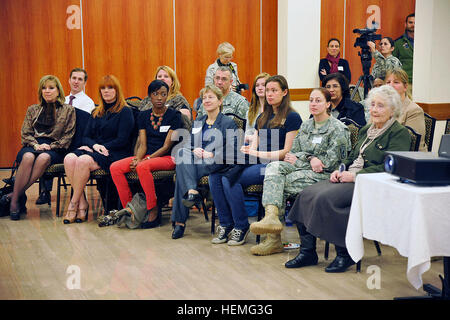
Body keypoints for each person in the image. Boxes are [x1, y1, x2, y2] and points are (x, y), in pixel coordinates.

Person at [286, 85, 411, 273]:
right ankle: (308, 252)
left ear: (392, 110)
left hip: (372, 183)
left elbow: (392, 166)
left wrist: (354, 175)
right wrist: (340, 169)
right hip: (348, 177)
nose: (374, 110)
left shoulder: (398, 133)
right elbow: (351, 156)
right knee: (304, 194)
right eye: (373, 105)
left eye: (381, 106)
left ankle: (345, 254)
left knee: (325, 199)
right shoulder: (367, 129)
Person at [249, 88, 351, 255]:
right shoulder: (307, 125)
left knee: (278, 183)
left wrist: (306, 159)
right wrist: (310, 158)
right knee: (273, 167)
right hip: (303, 167)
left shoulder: (338, 129)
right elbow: (293, 153)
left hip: (326, 175)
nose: (313, 104)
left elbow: (329, 163)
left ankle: (273, 239)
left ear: (328, 104)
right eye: (311, 100)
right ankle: (271, 218)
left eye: (318, 100)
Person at [208, 75, 302, 248]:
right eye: (267, 91)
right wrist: (247, 150)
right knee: (217, 176)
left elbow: (287, 151)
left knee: (231, 180)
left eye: (274, 90)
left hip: (275, 166)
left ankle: (241, 226)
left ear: (285, 92)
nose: (269, 94)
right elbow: (255, 143)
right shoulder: (262, 117)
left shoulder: (292, 117)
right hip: (258, 161)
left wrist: (256, 153)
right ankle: (226, 223)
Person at [0, 75, 75, 220]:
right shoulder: (33, 109)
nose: (47, 91)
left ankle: (13, 198)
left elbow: (68, 136)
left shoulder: (68, 110)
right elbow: (25, 133)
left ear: (58, 91)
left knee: (43, 157)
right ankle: (16, 200)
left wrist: (51, 146)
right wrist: (36, 144)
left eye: (51, 88)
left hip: (55, 148)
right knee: (28, 157)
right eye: (44, 88)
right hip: (33, 144)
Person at [110, 80, 182, 228]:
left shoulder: (174, 115)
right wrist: (138, 158)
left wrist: (146, 159)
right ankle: (129, 209)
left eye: (163, 94)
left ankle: (153, 209)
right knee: (115, 167)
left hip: (167, 157)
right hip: (146, 156)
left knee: (142, 167)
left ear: (167, 95)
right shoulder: (143, 116)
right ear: (149, 96)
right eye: (155, 94)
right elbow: (143, 144)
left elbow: (166, 145)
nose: (160, 98)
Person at [62, 75, 134, 224]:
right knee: (69, 158)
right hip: (96, 149)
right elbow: (85, 137)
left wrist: (101, 147)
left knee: (82, 161)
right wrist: (95, 146)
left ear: (117, 90)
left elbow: (123, 140)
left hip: (115, 152)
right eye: (103, 88)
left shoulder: (125, 111)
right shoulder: (96, 111)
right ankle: (82, 203)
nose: (106, 91)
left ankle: (73, 204)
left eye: (110, 88)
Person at [171, 85, 238, 240]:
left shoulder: (228, 123)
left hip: (217, 162)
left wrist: (212, 153)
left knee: (182, 171)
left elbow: (233, 150)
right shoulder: (199, 122)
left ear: (220, 101)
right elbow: (189, 144)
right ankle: (193, 192)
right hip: (197, 162)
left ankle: (180, 222)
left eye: (211, 97)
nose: (206, 101)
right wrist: (194, 150)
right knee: (182, 153)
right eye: (204, 98)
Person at [36, 68, 95, 206]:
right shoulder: (62, 100)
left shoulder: (88, 103)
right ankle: (45, 191)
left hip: (75, 142)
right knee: (44, 150)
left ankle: (77, 196)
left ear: (85, 82)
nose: (76, 82)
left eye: (80, 79)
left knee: (52, 152)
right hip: (57, 140)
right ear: (69, 80)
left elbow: (82, 128)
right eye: (74, 78)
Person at [385, 68, 427, 151]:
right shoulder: (383, 107)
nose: (391, 85)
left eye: (396, 82)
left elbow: (409, 141)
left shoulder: (414, 110)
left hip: (410, 157)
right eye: (388, 82)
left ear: (405, 87)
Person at [140, 65, 192, 130]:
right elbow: (139, 117)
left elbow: (186, 119)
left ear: (172, 82)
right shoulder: (147, 99)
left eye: (166, 76)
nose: (162, 78)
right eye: (159, 76)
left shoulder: (179, 99)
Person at [393, 13, 414, 96]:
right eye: (410, 22)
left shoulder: (425, 42)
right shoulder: (398, 43)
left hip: (423, 82)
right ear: (405, 24)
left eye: (415, 23)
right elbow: (393, 63)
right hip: (406, 82)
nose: (413, 25)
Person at [245, 72, 270, 143]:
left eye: (263, 85)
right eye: (257, 85)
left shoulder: (275, 110)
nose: (260, 88)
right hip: (252, 147)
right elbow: (247, 134)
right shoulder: (250, 111)